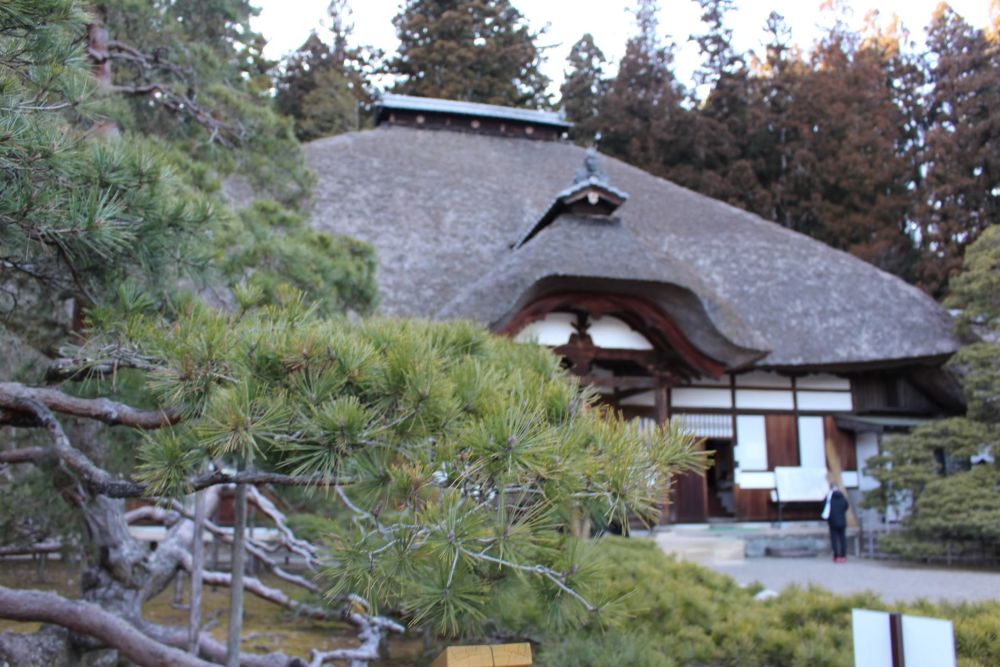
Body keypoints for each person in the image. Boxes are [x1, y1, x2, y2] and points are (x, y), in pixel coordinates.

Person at [821, 483, 850, 563]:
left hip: (832, 521)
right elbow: (846, 506)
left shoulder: (828, 498)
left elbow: (824, 507)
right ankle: (843, 556)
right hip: (842, 520)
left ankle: (836, 555)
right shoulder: (842, 497)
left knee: (834, 539)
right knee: (842, 538)